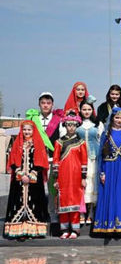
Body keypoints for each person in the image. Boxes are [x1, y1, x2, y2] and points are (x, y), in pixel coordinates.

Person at [93, 107, 121, 234]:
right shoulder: (106, 134)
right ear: (112, 118)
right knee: (110, 194)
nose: (119, 120)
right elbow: (100, 155)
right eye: (117, 118)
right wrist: (101, 172)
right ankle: (108, 224)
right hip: (109, 168)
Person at [4, 121, 49, 239]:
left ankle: (33, 230)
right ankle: (18, 231)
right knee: (18, 203)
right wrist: (20, 173)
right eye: (24, 130)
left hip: (34, 178)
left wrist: (31, 174)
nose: (26, 132)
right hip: (19, 179)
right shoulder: (17, 144)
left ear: (33, 131)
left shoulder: (38, 144)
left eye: (29, 130)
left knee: (34, 203)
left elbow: (41, 161)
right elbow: (12, 160)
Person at [26, 92, 65, 224]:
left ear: (52, 104)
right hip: (37, 159)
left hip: (52, 158)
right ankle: (38, 213)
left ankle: (53, 213)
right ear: (39, 104)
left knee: (53, 188)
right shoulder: (33, 119)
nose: (46, 105)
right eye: (43, 103)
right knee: (36, 188)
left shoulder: (58, 120)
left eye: (48, 103)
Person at [53, 112, 88, 239]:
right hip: (63, 176)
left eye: (74, 125)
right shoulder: (59, 142)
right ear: (65, 125)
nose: (71, 128)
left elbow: (84, 161)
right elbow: (56, 160)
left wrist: (84, 177)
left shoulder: (81, 142)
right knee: (63, 202)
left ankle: (75, 230)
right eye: (68, 125)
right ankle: (64, 230)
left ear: (77, 126)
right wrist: (56, 178)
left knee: (74, 202)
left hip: (76, 176)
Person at [76, 96, 102, 225]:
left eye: (89, 109)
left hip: (93, 158)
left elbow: (101, 141)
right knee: (81, 184)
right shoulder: (76, 124)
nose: (86, 111)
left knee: (92, 184)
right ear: (80, 110)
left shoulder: (97, 124)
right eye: (84, 109)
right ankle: (81, 212)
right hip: (79, 158)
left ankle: (91, 212)